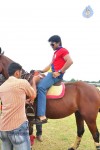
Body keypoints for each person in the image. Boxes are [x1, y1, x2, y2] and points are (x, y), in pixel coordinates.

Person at [33, 35, 73, 124]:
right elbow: (50, 65)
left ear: (58, 42)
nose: (51, 46)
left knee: (41, 87)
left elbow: (70, 61)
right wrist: (41, 70)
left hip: (55, 75)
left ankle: (41, 115)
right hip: (50, 74)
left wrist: (60, 72)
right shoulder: (55, 53)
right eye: (50, 45)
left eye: (52, 44)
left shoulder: (63, 50)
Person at [0, 62, 36, 150]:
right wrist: (34, 81)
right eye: (20, 72)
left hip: (3, 127)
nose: (21, 74)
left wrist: (23, 101)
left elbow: (8, 101)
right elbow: (33, 95)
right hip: (18, 126)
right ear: (17, 72)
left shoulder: (2, 87)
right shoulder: (22, 83)